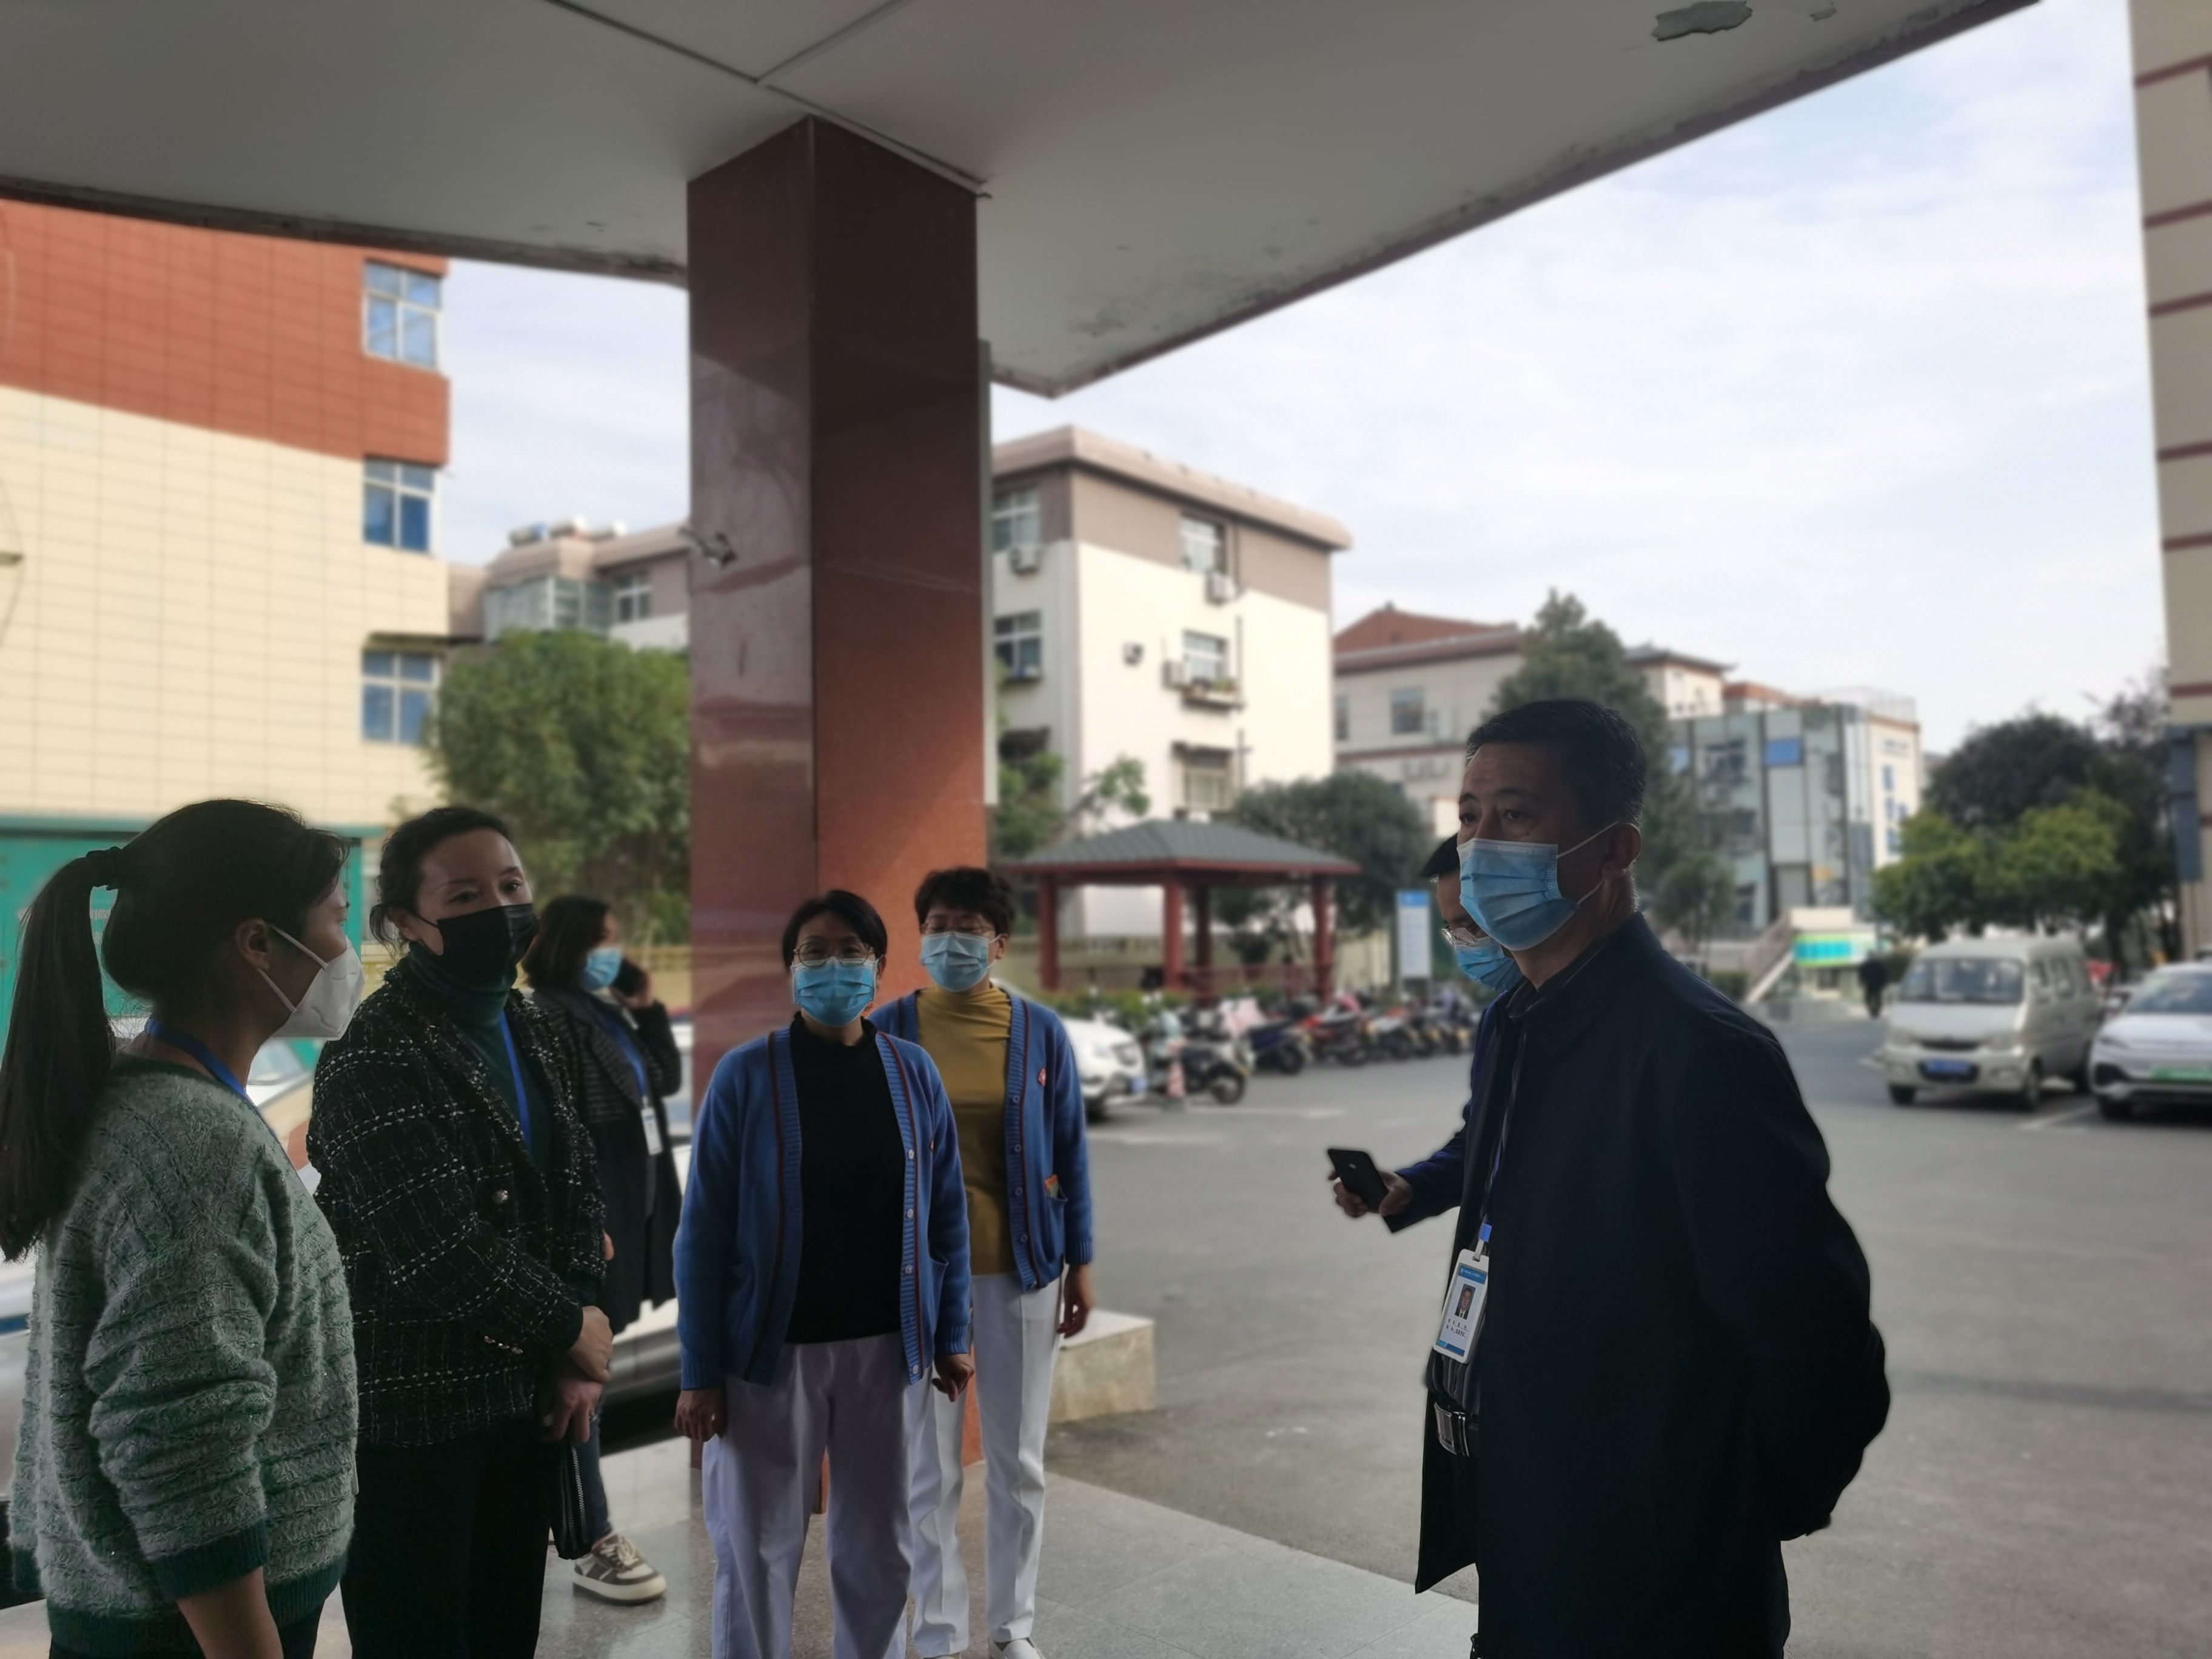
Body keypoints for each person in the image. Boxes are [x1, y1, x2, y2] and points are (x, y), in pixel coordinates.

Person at [1417, 700, 1888, 1657]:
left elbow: (1819, 1343)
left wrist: (1717, 1514)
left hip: (1661, 1591)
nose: (1480, 845)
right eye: (1470, 818)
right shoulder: (1518, 1022)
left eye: (1517, 815)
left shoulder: (1698, 1052)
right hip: (1528, 1536)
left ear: (1613, 850)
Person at [0, 800, 360, 1659]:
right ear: (258, 943)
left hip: (152, 1614)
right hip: (185, 1631)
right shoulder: (195, 1146)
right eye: (337, 918)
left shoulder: (146, 1097)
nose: (347, 951)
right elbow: (183, 1448)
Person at [308, 806, 610, 1659]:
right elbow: (438, 1248)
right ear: (407, 921)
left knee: (506, 1632)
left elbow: (578, 1187)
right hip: (416, 1420)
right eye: (467, 895)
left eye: (511, 886)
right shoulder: (371, 1051)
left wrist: (573, 1354)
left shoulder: (534, 1024)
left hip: (529, 1402)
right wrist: (571, 1325)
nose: (501, 909)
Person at [674, 890, 974, 1659]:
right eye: (814, 952)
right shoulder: (745, 1077)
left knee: (882, 1544)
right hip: (769, 1361)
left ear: (878, 965)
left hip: (889, 1351)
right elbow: (701, 1233)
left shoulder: (913, 1072)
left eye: (850, 951)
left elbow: (947, 1213)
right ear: (790, 968)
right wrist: (701, 1371)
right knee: (757, 1547)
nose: (833, 966)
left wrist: (953, 1333)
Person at [875, 866, 1096, 1659]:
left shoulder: (1040, 1032)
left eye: (968, 930)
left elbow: (1071, 1149)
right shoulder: (887, 1030)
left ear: (999, 943)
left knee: (1019, 1463)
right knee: (928, 1470)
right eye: (937, 926)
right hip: (922, 1281)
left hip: (1022, 1270)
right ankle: (937, 1631)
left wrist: (1082, 1261)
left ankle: (1012, 1628)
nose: (951, 942)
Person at [521, 894, 684, 1605]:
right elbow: (560, 1133)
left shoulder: (603, 1010)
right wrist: (585, 1227)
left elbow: (664, 1081)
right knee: (584, 1369)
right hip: (601, 1210)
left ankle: (570, 1516)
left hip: (634, 1200)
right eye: (604, 942)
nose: (615, 955)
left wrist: (648, 1009)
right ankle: (590, 1534)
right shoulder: (547, 1016)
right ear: (572, 944)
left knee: (593, 1367)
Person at [1858, 951, 1889, 1019]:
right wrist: (1884, 983)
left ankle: (1872, 1010)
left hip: (1869, 983)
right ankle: (1876, 1011)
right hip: (1878, 984)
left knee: (1869, 998)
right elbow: (1884, 974)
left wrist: (1861, 982)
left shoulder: (1865, 965)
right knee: (1878, 997)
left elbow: (1862, 975)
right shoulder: (1879, 964)